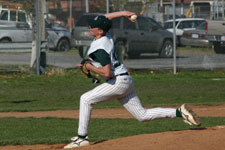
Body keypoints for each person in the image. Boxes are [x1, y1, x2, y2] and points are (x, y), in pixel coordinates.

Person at [64, 11, 201, 149]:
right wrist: (124, 13)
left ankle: (82, 138)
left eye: (93, 27)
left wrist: (89, 66)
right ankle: (179, 112)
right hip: (125, 79)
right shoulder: (105, 35)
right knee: (142, 115)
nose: (90, 28)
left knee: (86, 99)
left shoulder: (100, 47)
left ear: (100, 30)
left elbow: (107, 73)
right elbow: (107, 18)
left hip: (117, 82)